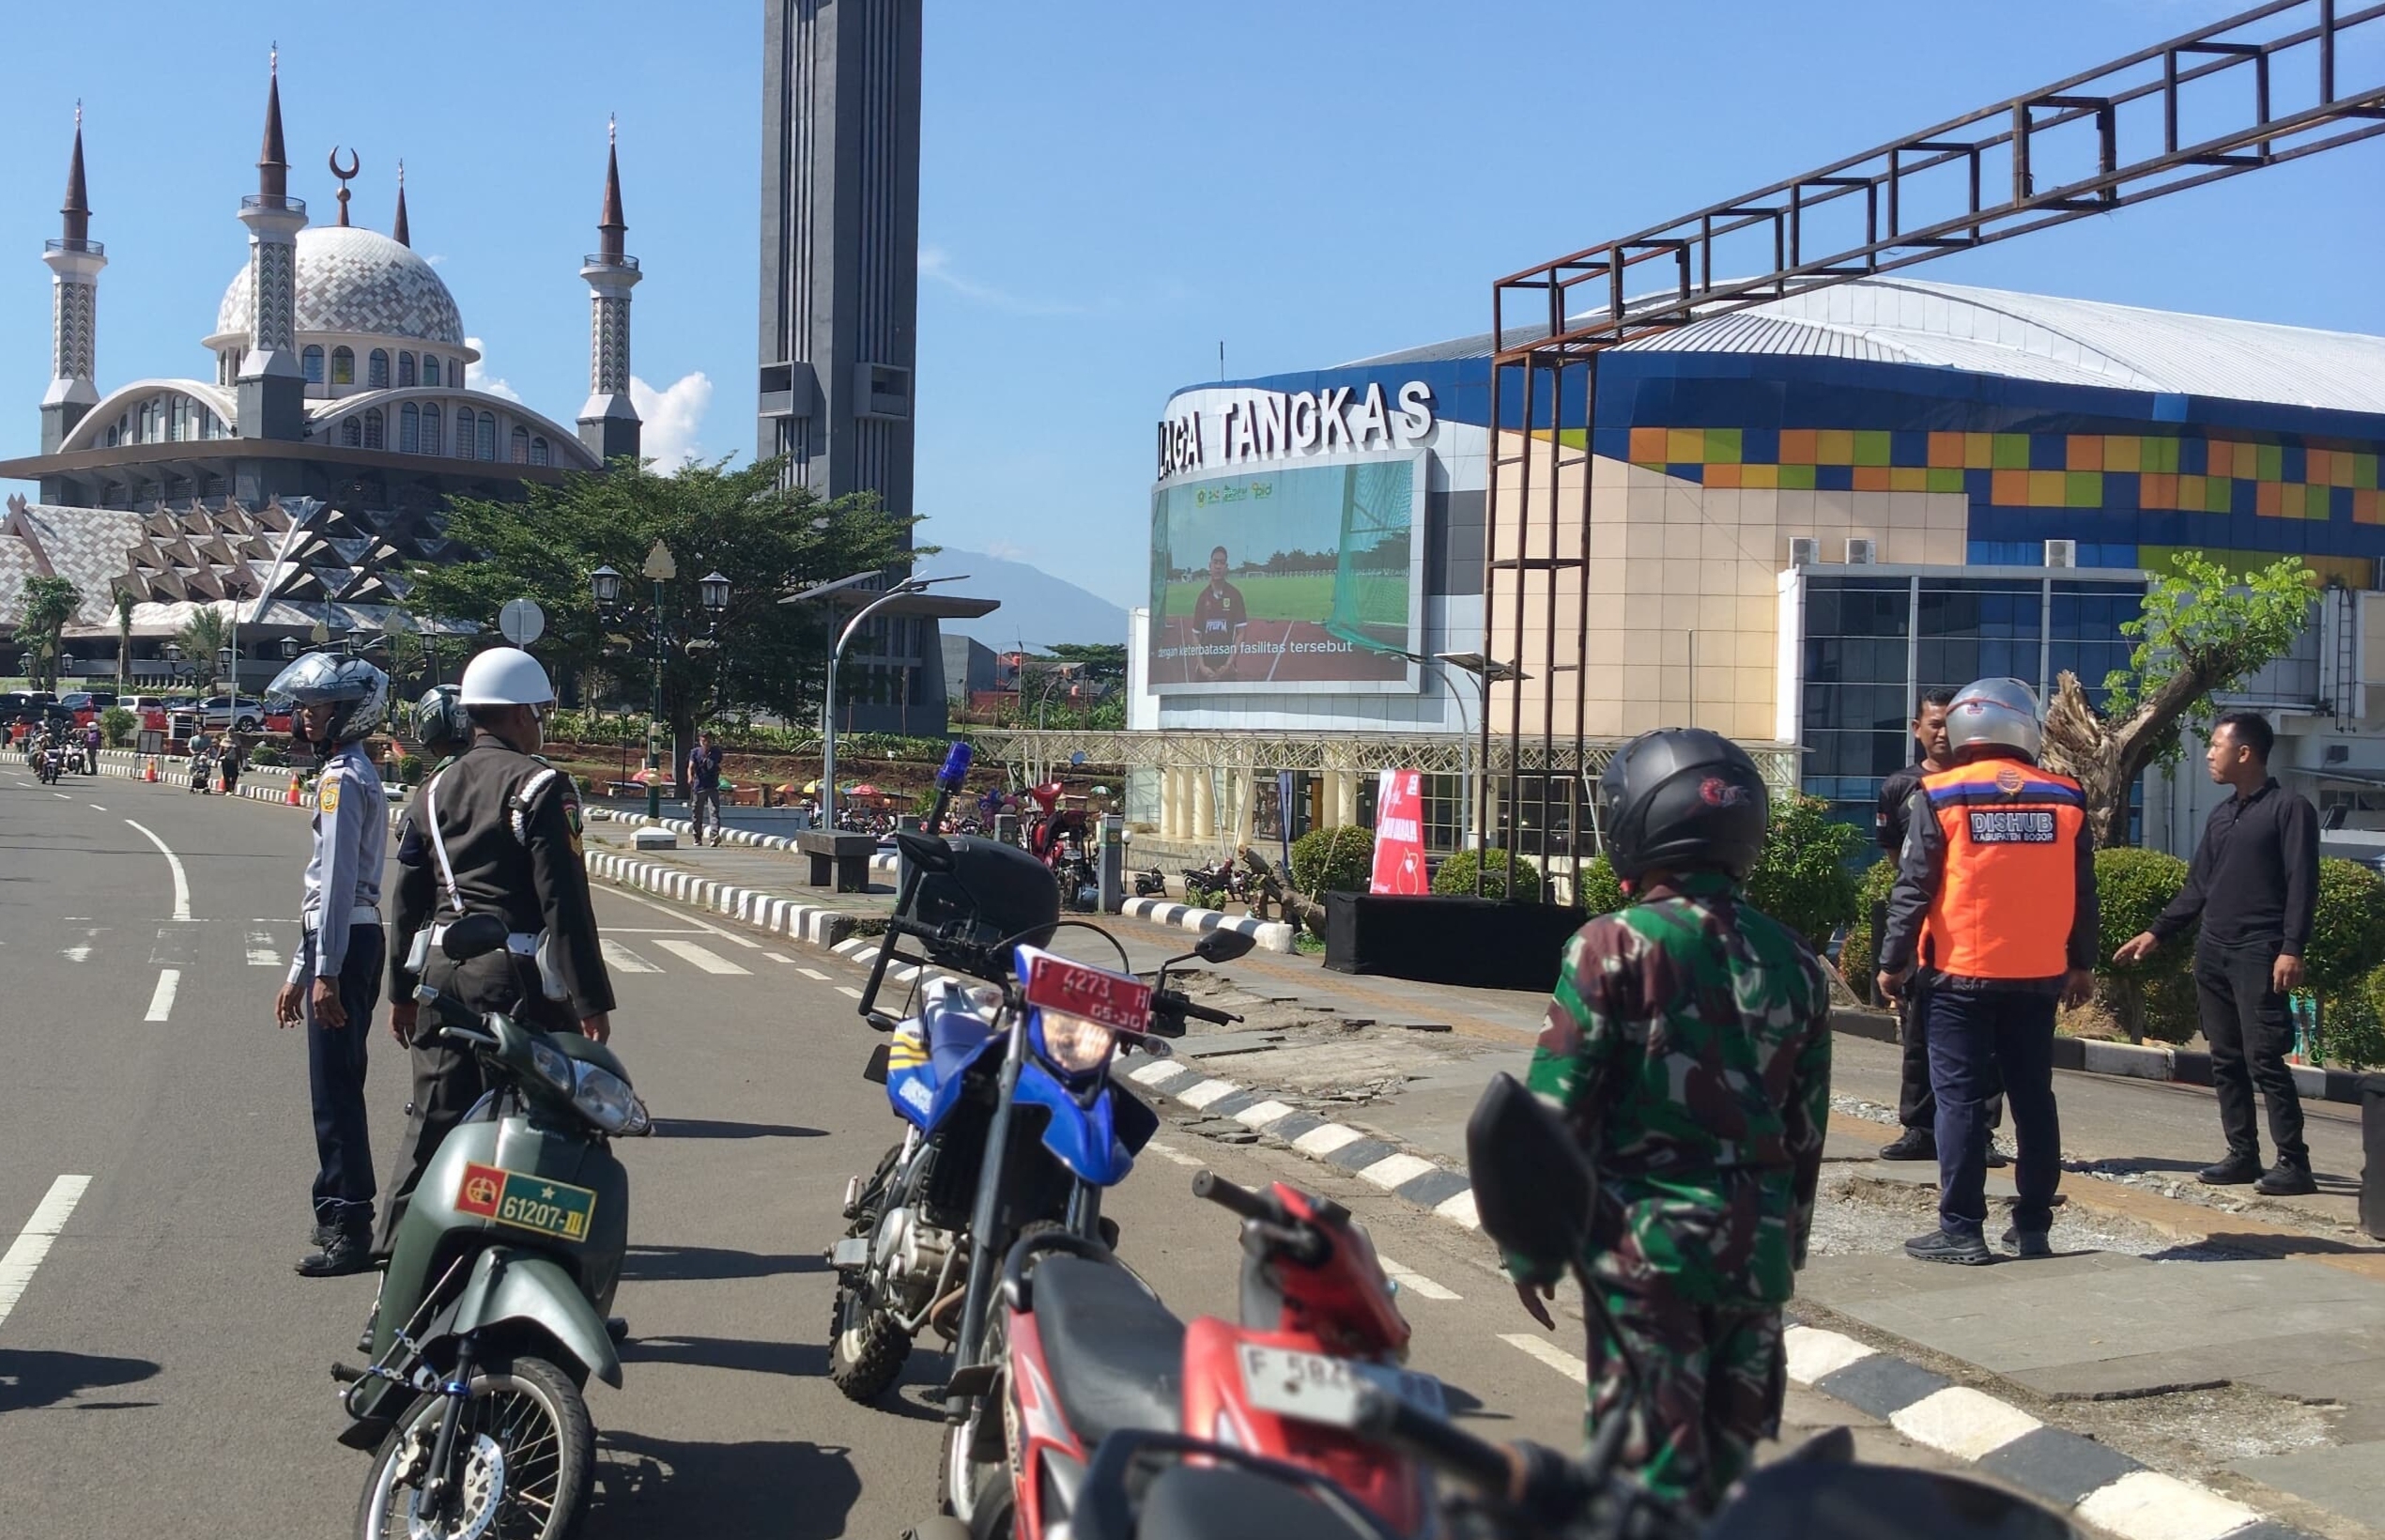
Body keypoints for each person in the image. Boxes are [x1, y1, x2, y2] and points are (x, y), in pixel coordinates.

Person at [1511, 728, 1832, 1514]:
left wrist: (1530, 1248)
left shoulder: (1610, 947)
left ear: (1636, 825)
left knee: (1647, 1486)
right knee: (1726, 1486)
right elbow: (1807, 1131)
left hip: (1644, 1255)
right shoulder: (1795, 959)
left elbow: (1553, 1114)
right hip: (1754, 1258)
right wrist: (1785, 1243)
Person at [377, 649, 616, 1259]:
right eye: (537, 711)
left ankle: (396, 1268)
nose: (540, 723)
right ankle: (562, 1272)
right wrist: (590, 1002)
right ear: (515, 714)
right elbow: (563, 902)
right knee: (557, 1125)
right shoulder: (540, 785)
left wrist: (401, 995)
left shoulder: (429, 791)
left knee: (433, 1120)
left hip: (439, 978)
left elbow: (406, 904)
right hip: (514, 982)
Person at [1877, 678, 2096, 1266]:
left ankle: (1962, 1229)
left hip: (1958, 975)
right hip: (2038, 976)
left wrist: (1893, 962)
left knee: (1959, 1102)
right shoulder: (2067, 798)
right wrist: (2082, 964)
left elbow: (1914, 885)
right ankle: (2033, 1226)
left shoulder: (1942, 793)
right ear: (2023, 726)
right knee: (2033, 1097)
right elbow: (2083, 891)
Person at [2114, 711, 2319, 1195]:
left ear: (2244, 752)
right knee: (2224, 1058)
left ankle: (2294, 1162)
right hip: (2215, 949)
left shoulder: (2289, 809)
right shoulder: (2223, 813)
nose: (2209, 753)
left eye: (2216, 745)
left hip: (2260, 950)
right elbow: (2198, 886)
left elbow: (2302, 884)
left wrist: (2292, 948)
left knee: (2264, 1057)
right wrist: (2156, 932)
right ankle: (2242, 1154)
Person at [269, 652, 392, 1277]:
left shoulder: (344, 778)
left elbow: (339, 882)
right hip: (340, 939)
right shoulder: (353, 771)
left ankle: (349, 1222)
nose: (307, 718)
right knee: (334, 1087)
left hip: (346, 941)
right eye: (306, 708)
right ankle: (338, 1211)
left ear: (348, 713)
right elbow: (323, 892)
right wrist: (301, 967)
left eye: (317, 708)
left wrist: (325, 971)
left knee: (337, 1091)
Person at [1872, 689, 2007, 1167]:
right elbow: (1895, 855)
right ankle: (1919, 1128)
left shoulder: (1984, 783)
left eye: (1950, 724)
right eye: (1933, 724)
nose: (1942, 733)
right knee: (1919, 1034)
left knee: (1984, 1040)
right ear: (1916, 729)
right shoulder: (1900, 786)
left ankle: (1982, 1133)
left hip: (1976, 931)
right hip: (1924, 929)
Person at [1190, 545, 1248, 682]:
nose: (1218, 566)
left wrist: (1228, 664)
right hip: (1205, 669)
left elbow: (1241, 632)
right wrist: (1202, 666)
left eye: (1222, 563)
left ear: (1226, 567)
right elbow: (1195, 634)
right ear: (1210, 566)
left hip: (1227, 668)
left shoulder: (1235, 595)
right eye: (1215, 562)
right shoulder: (1203, 597)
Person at [688, 730, 725, 846]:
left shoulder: (716, 752)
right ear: (700, 741)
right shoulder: (695, 752)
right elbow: (690, 767)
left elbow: (716, 765)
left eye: (709, 741)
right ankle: (697, 836)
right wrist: (690, 777)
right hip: (699, 786)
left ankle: (714, 836)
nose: (706, 743)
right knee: (696, 812)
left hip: (712, 785)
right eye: (704, 741)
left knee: (714, 811)